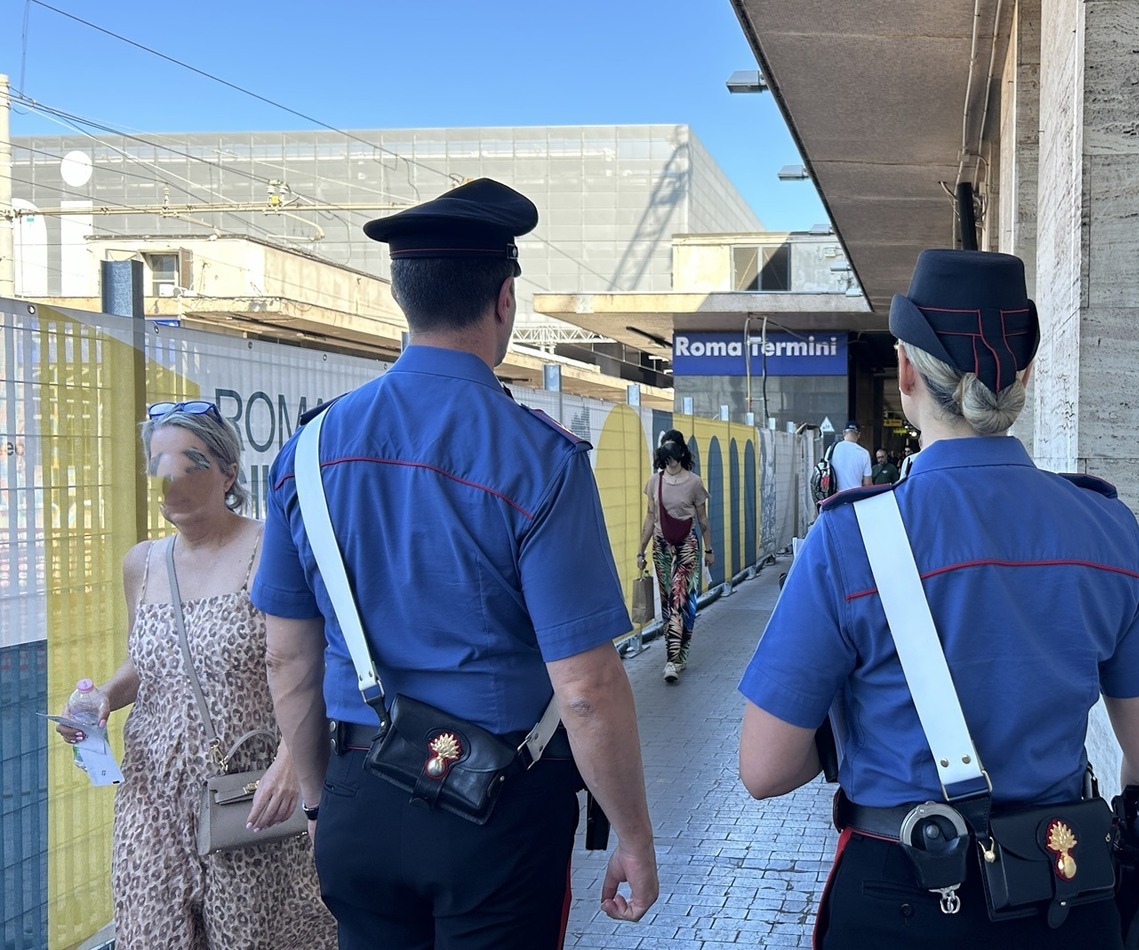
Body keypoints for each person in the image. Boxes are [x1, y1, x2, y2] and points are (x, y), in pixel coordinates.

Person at [737, 249, 1139, 949]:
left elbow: (763, 769)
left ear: (907, 372)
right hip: (1067, 886)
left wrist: (850, 726)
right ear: (1025, 376)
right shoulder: (1106, 528)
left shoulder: (850, 540)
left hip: (899, 898)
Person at [252, 178, 657, 948]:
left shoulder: (306, 454)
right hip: (494, 808)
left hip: (355, 794)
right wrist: (631, 833)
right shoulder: (539, 460)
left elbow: (287, 660)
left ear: (400, 294)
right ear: (504, 298)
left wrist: (318, 804)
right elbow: (587, 689)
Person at [57, 400, 334, 950]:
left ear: (228, 471)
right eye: (159, 463)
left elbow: (317, 662)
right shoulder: (144, 562)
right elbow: (144, 661)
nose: (172, 478)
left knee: (259, 936)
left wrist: (292, 764)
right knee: (153, 936)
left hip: (248, 795)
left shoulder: (270, 550)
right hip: (151, 797)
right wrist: (102, 698)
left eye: (192, 462)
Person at [635, 430, 715, 683]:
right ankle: (676, 656)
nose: (669, 457)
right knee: (669, 600)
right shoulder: (653, 482)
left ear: (681, 451)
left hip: (687, 547)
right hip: (660, 546)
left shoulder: (694, 482)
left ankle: (673, 660)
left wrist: (709, 550)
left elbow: (702, 521)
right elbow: (650, 516)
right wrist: (640, 550)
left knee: (681, 601)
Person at [829, 421, 872, 493]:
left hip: (835, 497)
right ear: (859, 435)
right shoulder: (864, 454)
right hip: (855, 497)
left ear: (844, 433)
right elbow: (867, 484)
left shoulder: (832, 449)